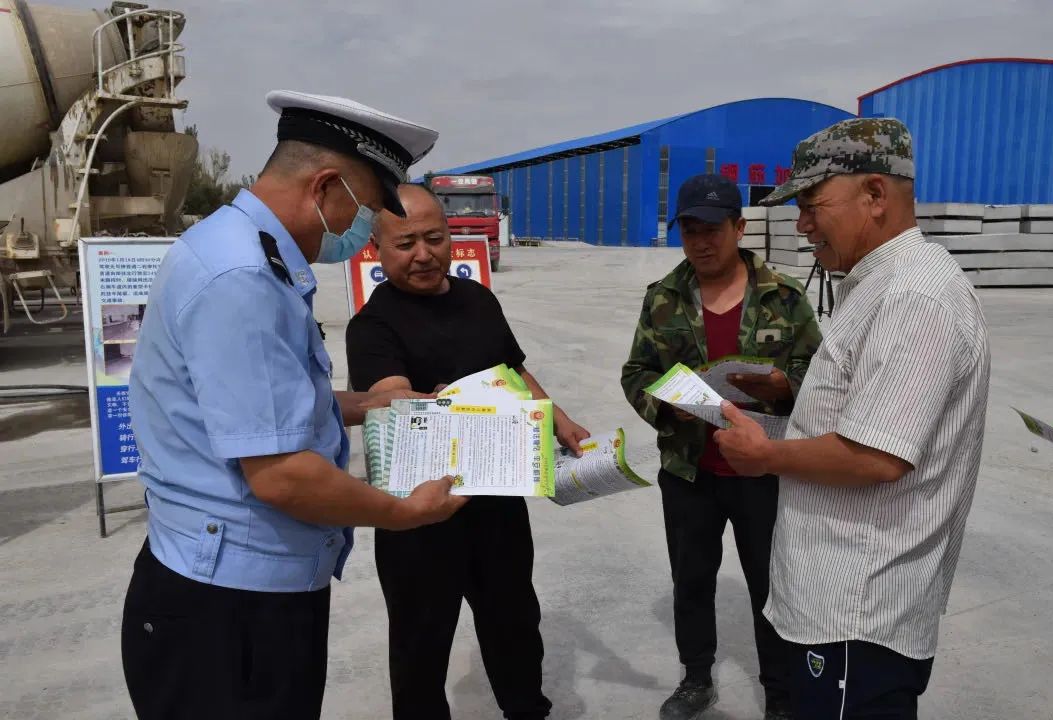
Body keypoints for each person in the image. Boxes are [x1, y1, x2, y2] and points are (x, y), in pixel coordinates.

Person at [122, 91, 468, 719]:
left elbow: (262, 405)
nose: (364, 231)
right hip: (228, 609)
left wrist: (367, 405)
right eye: (368, 210)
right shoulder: (244, 280)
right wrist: (405, 512)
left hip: (237, 589)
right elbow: (282, 474)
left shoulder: (241, 249)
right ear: (326, 187)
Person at [713, 118, 991, 720]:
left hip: (858, 614)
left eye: (813, 205)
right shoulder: (877, 283)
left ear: (875, 196)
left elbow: (876, 456)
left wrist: (765, 455)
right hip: (836, 602)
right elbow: (869, 407)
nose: (802, 224)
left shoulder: (915, 296)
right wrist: (793, 395)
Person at [345, 183, 590, 720]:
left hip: (498, 502)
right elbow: (389, 397)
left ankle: (527, 709)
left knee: (516, 626)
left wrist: (558, 421)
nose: (424, 254)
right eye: (406, 243)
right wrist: (418, 404)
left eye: (435, 237)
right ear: (377, 249)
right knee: (420, 647)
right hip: (421, 515)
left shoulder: (477, 297)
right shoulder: (373, 325)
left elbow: (513, 370)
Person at [621, 174, 821, 720]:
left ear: (739, 227)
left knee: (770, 589)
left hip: (763, 470)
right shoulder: (663, 298)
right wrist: (667, 403)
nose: (701, 242)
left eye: (712, 229)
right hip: (690, 471)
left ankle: (780, 693)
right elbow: (637, 372)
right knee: (691, 581)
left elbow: (821, 371)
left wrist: (785, 386)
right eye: (689, 230)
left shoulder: (784, 296)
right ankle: (695, 678)